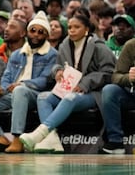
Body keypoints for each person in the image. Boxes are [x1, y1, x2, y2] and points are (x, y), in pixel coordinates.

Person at [19, 12, 116, 153]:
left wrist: (85, 83)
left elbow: (109, 71)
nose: (72, 30)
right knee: (43, 97)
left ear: (86, 29)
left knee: (70, 98)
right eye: (70, 27)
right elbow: (56, 65)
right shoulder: (65, 45)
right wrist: (57, 71)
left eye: (77, 27)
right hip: (68, 89)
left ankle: (39, 134)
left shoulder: (98, 46)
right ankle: (53, 141)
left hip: (93, 92)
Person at [0, 13, 57, 154]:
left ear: (46, 36)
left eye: (41, 32)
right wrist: (3, 89)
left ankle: (17, 138)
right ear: (27, 33)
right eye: (33, 30)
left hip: (35, 95)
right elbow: (6, 77)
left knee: (20, 90)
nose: (36, 35)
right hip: (13, 94)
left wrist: (23, 84)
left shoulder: (52, 54)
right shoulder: (17, 54)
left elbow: (45, 80)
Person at [100, 36, 135, 154]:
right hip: (133, 93)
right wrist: (128, 78)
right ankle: (115, 141)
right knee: (109, 90)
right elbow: (116, 76)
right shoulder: (131, 45)